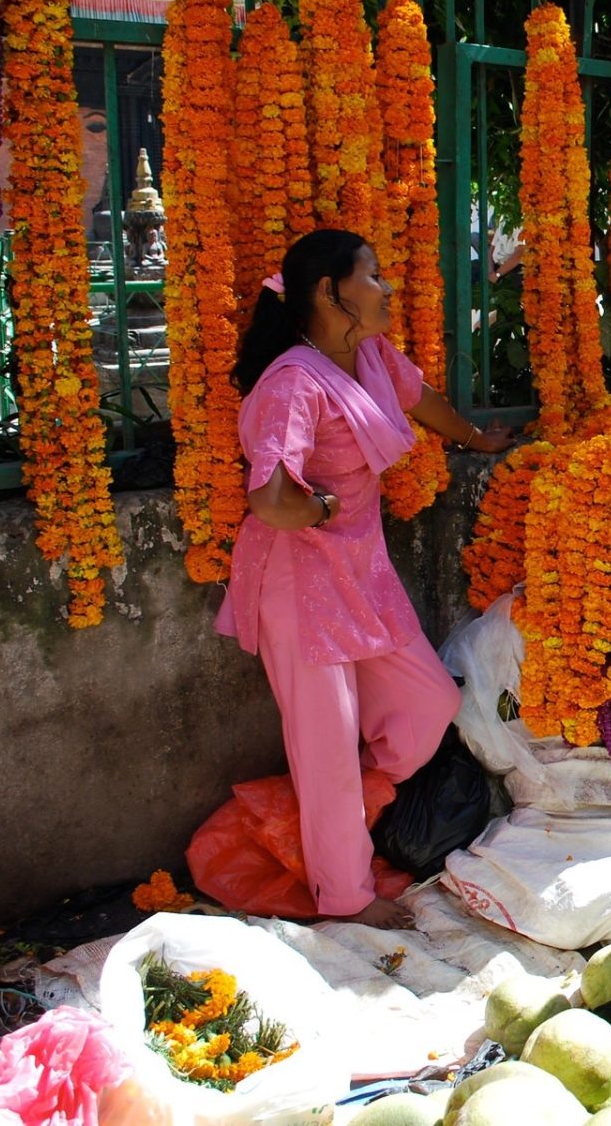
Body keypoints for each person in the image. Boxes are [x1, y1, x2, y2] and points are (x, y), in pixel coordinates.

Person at [216, 229, 511, 929]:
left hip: (359, 571)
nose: (387, 288)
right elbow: (269, 496)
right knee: (325, 746)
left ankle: (337, 804)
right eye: (374, 276)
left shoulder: (369, 353)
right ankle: (344, 896)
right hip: (297, 581)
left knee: (429, 703)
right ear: (330, 292)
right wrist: (318, 505)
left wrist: (475, 439)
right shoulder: (293, 380)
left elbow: (420, 397)